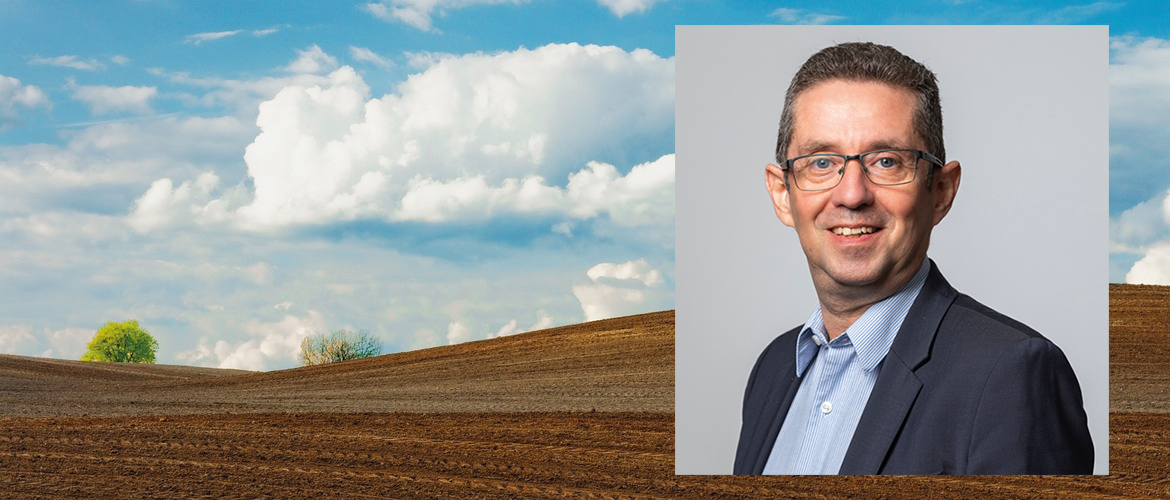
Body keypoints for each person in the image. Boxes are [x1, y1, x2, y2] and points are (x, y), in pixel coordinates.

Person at [733, 42, 1093, 475]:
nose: (852, 195)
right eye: (822, 162)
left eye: (887, 161)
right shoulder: (771, 370)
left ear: (941, 191)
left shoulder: (1012, 374)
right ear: (782, 194)